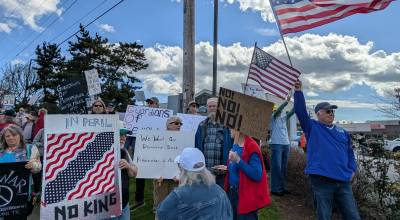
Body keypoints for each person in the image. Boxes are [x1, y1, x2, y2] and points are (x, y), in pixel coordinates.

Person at [293, 80, 360, 220]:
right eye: (328, 111)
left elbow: (349, 153)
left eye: (333, 111)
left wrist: (353, 170)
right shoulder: (312, 127)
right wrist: (298, 92)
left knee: (353, 216)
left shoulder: (342, 132)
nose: (331, 113)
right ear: (318, 114)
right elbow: (300, 112)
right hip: (322, 181)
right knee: (324, 216)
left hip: (343, 182)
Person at [157, 147, 233, 220]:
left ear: (182, 170)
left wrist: (160, 188)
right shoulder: (219, 191)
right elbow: (229, 215)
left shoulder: (179, 195)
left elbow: (162, 214)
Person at [225, 129, 271, 220]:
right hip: (232, 193)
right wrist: (227, 167)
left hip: (245, 197)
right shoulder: (235, 145)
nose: (229, 129)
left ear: (239, 128)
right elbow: (235, 168)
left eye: (232, 127)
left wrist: (238, 161)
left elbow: (257, 175)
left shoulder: (252, 146)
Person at [0, 124, 42, 220]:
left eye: (14, 135)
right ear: (4, 138)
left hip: (22, 194)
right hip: (3, 193)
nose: (11, 138)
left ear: (20, 135)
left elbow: (38, 167)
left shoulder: (30, 149)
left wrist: (33, 165)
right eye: (8, 136)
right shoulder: (1, 151)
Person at [195, 97, 233, 188]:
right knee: (206, 191)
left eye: (214, 106)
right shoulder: (201, 125)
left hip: (222, 168)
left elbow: (232, 145)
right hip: (206, 168)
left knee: (221, 191)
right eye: (210, 106)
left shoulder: (227, 126)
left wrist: (228, 164)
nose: (212, 108)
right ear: (207, 108)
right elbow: (197, 145)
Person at [131, 96, 160, 211]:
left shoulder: (162, 117)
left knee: (158, 177)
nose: (149, 105)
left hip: (156, 151)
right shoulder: (141, 117)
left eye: (151, 103)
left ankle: (157, 203)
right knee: (140, 175)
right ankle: (139, 200)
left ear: (157, 105)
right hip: (142, 150)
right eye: (148, 103)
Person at [153, 116, 182, 219]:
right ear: (168, 125)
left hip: (177, 180)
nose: (179, 125)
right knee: (161, 206)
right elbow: (151, 160)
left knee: (176, 206)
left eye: (180, 124)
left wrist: (183, 176)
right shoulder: (158, 139)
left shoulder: (184, 140)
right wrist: (155, 174)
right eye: (176, 123)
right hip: (161, 180)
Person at [108, 126, 138, 220]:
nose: (124, 138)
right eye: (120, 134)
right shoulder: (104, 153)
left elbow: (134, 173)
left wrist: (128, 166)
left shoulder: (124, 150)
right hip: (108, 205)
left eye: (125, 135)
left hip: (124, 203)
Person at [269, 94, 295, 196]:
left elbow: (293, 111)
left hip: (286, 144)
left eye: (276, 110)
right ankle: (275, 189)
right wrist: (286, 102)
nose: (277, 112)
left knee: (283, 167)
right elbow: (279, 109)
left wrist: (298, 100)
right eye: (275, 110)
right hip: (276, 145)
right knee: (277, 167)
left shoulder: (283, 118)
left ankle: (283, 187)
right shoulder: (273, 118)